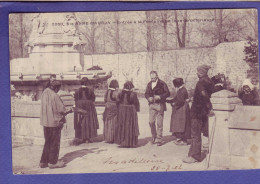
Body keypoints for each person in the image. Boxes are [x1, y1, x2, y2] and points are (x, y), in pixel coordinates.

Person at [183, 65, 215, 163]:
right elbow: (208, 94)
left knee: (195, 134)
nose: (196, 73)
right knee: (205, 132)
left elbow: (203, 94)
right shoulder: (209, 81)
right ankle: (196, 153)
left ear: (201, 73)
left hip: (197, 112)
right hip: (204, 112)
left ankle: (195, 156)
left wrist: (207, 104)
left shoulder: (200, 82)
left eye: (198, 72)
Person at [39, 80, 72, 169]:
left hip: (45, 123)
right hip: (54, 123)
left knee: (47, 142)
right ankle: (53, 163)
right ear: (56, 87)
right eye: (58, 89)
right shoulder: (55, 96)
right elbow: (62, 110)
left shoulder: (44, 93)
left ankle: (43, 162)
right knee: (54, 143)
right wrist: (70, 109)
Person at [145, 71, 170, 146]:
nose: (152, 79)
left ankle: (159, 139)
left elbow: (168, 93)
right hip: (152, 104)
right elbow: (146, 93)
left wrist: (160, 96)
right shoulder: (149, 84)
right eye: (151, 78)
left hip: (160, 104)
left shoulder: (162, 83)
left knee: (159, 123)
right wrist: (148, 97)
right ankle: (154, 136)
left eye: (154, 78)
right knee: (151, 122)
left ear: (157, 76)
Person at [73, 77, 99, 145]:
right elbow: (93, 99)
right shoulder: (90, 90)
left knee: (81, 120)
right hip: (89, 106)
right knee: (88, 121)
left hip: (79, 106)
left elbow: (75, 99)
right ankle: (87, 138)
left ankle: (81, 137)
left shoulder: (77, 91)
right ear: (87, 83)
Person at [166, 78, 191, 146]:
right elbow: (176, 98)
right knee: (181, 124)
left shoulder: (182, 90)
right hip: (182, 107)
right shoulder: (181, 89)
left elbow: (180, 101)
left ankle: (184, 140)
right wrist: (169, 101)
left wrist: (174, 104)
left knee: (182, 124)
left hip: (182, 108)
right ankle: (181, 139)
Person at [116, 81, 140, 148]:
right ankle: (130, 142)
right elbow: (136, 103)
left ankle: (123, 142)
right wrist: (136, 109)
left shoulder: (120, 93)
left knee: (122, 125)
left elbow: (117, 101)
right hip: (130, 111)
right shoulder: (133, 94)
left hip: (122, 110)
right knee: (130, 125)